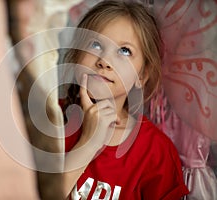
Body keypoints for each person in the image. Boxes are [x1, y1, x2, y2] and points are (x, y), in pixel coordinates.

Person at [60, 1, 190, 199]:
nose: (104, 61)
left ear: (142, 76)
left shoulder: (156, 152)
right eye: (96, 44)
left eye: (124, 51)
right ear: (77, 56)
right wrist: (88, 143)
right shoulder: (49, 119)